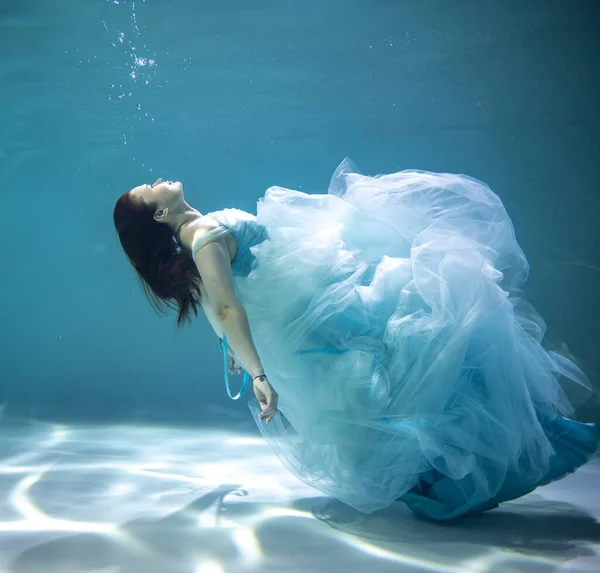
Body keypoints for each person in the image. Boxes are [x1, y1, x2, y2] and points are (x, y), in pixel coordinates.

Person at [113, 159, 598, 520]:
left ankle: (462, 469)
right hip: (320, 307)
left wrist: (234, 354)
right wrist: (256, 371)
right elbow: (224, 306)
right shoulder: (199, 235)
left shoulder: (194, 235)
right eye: (150, 189)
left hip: (317, 298)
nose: (158, 181)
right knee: (421, 344)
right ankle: (478, 464)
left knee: (413, 357)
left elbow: (222, 305)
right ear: (158, 216)